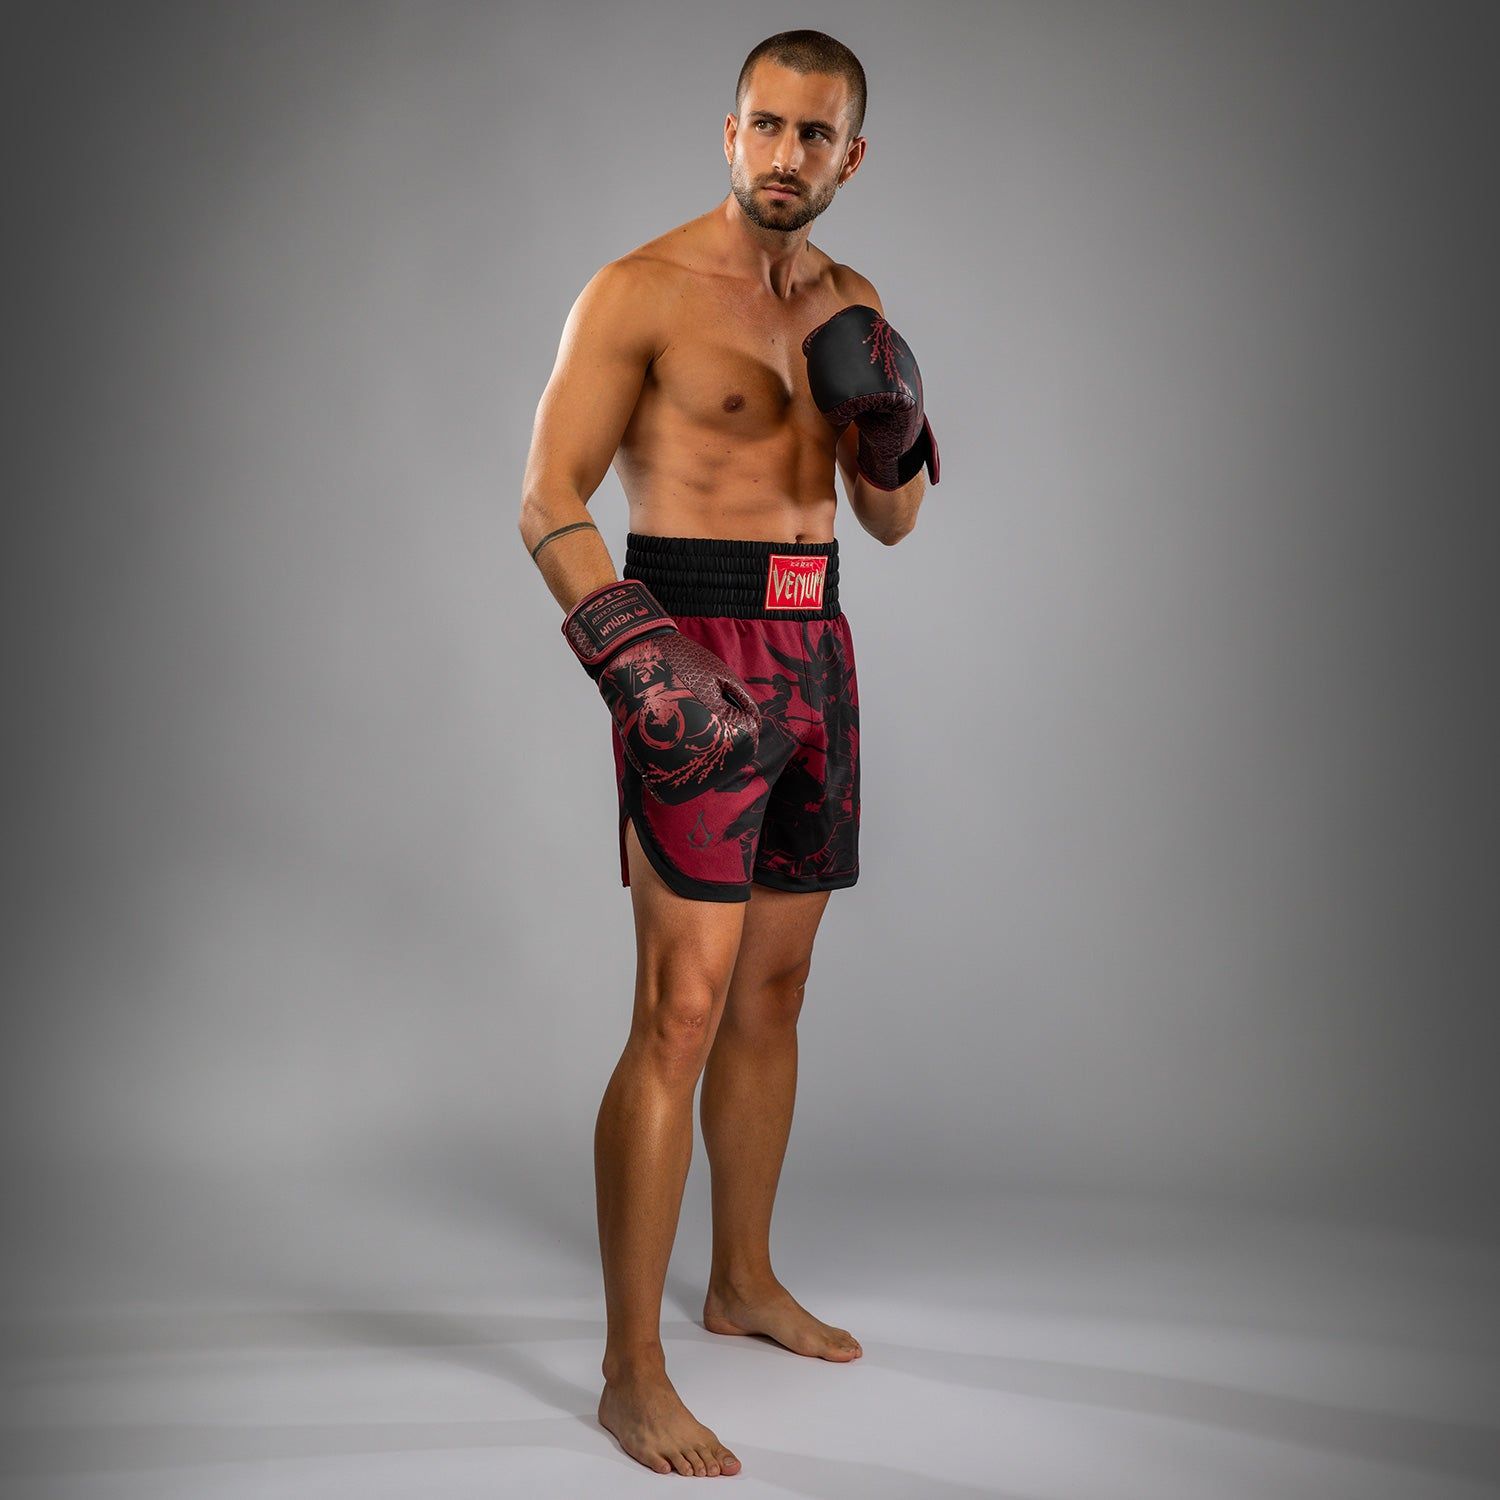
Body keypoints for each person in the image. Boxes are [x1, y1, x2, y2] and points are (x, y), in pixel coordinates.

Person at [518, 29, 939, 1480]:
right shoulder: (638, 290)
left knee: (775, 990)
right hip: (690, 635)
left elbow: (893, 522)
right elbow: (546, 498)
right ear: (729, 132)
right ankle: (630, 1374)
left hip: (818, 646)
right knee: (678, 1009)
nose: (785, 154)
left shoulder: (855, 300)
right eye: (765, 125)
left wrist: (891, 429)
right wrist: (638, 657)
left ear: (850, 156)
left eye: (814, 135)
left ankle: (743, 1280)